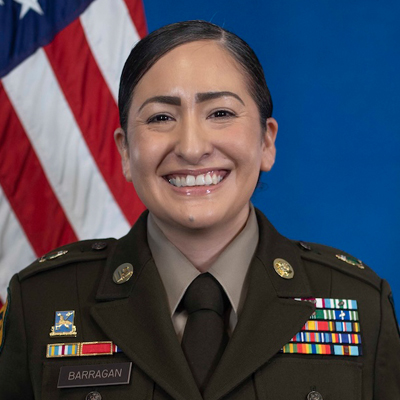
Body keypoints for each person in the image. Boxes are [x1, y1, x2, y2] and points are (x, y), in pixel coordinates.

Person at [0, 20, 399, 400]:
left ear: (266, 142)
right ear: (124, 151)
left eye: (220, 113)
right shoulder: (42, 303)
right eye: (160, 117)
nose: (191, 147)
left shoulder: (359, 304)